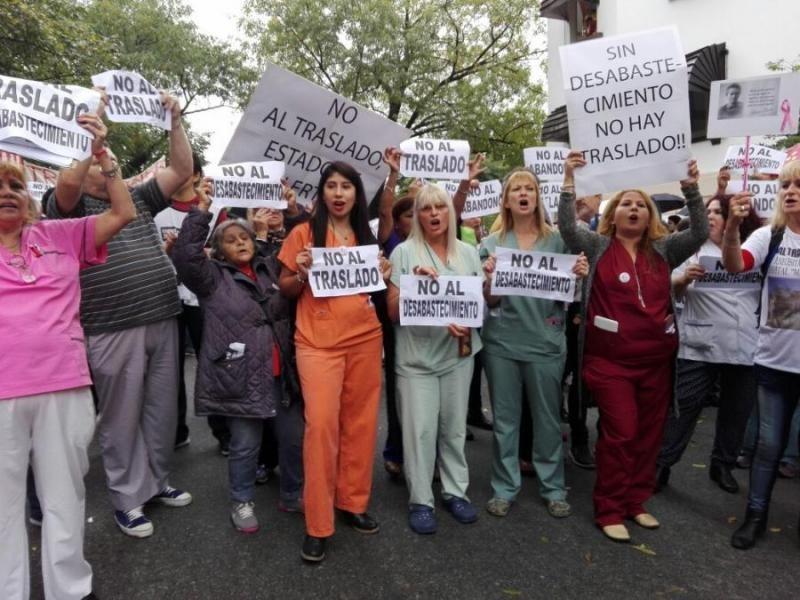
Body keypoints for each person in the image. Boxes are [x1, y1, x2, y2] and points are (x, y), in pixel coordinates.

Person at [45, 92, 194, 538]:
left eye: (105, 156)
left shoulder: (139, 197)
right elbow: (66, 186)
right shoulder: (68, 208)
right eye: (96, 159)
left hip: (162, 315)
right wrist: (89, 140)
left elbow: (182, 169)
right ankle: (127, 498)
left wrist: (175, 121)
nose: (105, 160)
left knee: (160, 410)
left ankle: (157, 482)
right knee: (121, 417)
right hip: (112, 326)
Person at [0, 110, 136, 600]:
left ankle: (71, 590)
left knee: (64, 496)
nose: (7, 193)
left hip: (64, 385)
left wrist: (102, 155)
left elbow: (123, 214)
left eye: (15, 186)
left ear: (29, 200)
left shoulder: (59, 235)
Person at [558, 152, 708, 543]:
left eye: (641, 205)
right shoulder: (597, 245)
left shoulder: (664, 250)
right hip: (609, 365)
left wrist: (691, 188)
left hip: (656, 364)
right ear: (613, 213)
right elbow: (567, 228)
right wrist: (569, 179)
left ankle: (635, 501)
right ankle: (609, 508)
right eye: (627, 203)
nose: (634, 209)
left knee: (648, 435)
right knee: (621, 433)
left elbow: (699, 233)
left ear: (649, 215)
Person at [278, 161, 391, 563]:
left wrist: (384, 271)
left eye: (346, 186)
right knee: (322, 427)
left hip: (365, 339)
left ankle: (352, 502)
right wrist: (301, 273)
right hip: (317, 343)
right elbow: (285, 288)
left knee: (360, 425)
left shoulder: (366, 236)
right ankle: (318, 523)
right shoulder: (303, 233)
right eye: (332, 186)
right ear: (322, 192)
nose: (339, 193)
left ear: (357, 194)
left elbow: (377, 285)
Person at [171, 190, 299, 533]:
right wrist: (202, 209)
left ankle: (292, 494)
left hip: (282, 372)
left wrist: (289, 209)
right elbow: (185, 256)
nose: (240, 242)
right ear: (218, 250)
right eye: (231, 239)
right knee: (245, 445)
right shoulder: (211, 278)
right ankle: (241, 502)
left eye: (244, 237)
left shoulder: (270, 267)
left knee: (293, 439)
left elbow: (298, 252)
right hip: (240, 375)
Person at [480, 167, 588, 520]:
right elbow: (490, 301)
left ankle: (553, 487)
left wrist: (578, 275)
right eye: (517, 189)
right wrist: (491, 279)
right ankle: (504, 487)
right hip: (503, 344)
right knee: (505, 421)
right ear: (506, 200)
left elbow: (570, 294)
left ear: (538, 196)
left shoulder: (559, 241)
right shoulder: (491, 245)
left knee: (547, 421)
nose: (524, 194)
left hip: (545, 343)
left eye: (530, 188)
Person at [386, 184, 483, 534]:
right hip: (417, 361)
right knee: (420, 431)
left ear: (450, 212)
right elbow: (393, 312)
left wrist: (482, 303)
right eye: (425, 209)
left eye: (440, 207)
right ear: (417, 216)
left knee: (454, 429)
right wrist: (414, 288)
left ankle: (456, 491)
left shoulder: (468, 253)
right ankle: (421, 500)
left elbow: (480, 304)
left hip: (458, 356)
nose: (433, 214)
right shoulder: (403, 253)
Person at [656, 193, 761, 494]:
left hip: (744, 345)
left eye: (718, 212)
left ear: (735, 217)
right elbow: (664, 289)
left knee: (736, 411)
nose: (711, 216)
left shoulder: (753, 250)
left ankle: (723, 464)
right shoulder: (692, 249)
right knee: (684, 407)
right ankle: (661, 464)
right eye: (708, 211)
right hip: (699, 344)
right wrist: (682, 281)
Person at [723, 160, 800, 549]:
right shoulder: (769, 236)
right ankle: (755, 516)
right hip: (774, 362)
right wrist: (732, 228)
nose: (790, 191)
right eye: (786, 185)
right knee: (768, 446)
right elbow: (736, 266)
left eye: (799, 184)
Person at [155, 152, 231, 453]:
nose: (175, 174)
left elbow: (229, 251)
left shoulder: (217, 210)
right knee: (168, 369)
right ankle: (176, 430)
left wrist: (208, 254)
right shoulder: (155, 211)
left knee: (212, 365)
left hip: (204, 301)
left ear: (197, 174)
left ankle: (224, 433)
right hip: (167, 299)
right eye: (170, 168)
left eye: (182, 168)